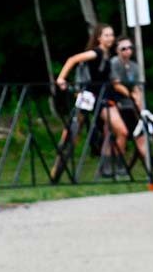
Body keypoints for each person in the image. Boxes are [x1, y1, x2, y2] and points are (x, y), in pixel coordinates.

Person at [55, 23, 130, 178]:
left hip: (103, 97)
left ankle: (114, 165)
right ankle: (61, 157)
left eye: (112, 35)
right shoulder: (96, 53)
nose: (110, 38)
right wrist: (61, 78)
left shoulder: (108, 55)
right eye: (107, 35)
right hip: (90, 96)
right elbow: (73, 59)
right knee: (74, 129)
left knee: (122, 131)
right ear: (99, 38)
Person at [109, 38, 153, 171]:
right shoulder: (114, 64)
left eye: (130, 48)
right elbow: (116, 85)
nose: (128, 51)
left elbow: (137, 88)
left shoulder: (134, 66)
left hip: (138, 105)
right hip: (123, 107)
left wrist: (139, 103)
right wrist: (130, 95)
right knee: (139, 137)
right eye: (124, 48)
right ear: (117, 50)